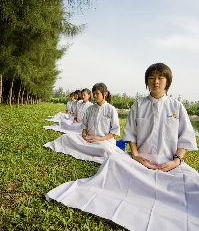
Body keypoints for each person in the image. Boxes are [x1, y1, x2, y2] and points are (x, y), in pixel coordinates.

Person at [46, 64, 199, 231]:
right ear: (147, 81)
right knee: (113, 161)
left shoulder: (177, 107)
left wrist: (176, 162)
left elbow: (185, 138)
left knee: (194, 182)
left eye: (161, 78)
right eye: (152, 78)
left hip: (169, 163)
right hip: (140, 161)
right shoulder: (138, 105)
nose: (156, 81)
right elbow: (131, 135)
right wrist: (136, 156)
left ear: (167, 81)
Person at [44, 83, 124, 163]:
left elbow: (114, 132)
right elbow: (84, 126)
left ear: (105, 94)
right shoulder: (90, 109)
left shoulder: (111, 109)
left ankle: (88, 149)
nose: (95, 96)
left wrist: (100, 139)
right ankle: (86, 147)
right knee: (66, 137)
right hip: (87, 139)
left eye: (97, 93)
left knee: (106, 150)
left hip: (103, 141)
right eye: (94, 94)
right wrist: (84, 135)